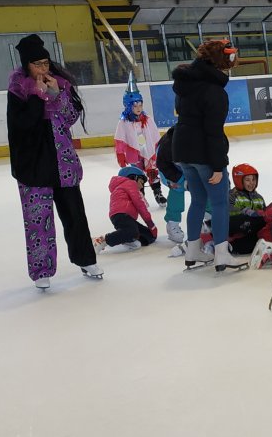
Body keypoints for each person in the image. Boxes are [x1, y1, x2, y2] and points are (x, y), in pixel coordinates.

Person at [6, 33, 101, 289]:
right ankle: (41, 271)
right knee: (38, 220)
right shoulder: (18, 91)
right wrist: (38, 97)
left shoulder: (60, 85)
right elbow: (22, 125)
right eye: (37, 64)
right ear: (26, 65)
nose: (43, 69)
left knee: (75, 216)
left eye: (46, 63)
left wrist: (57, 94)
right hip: (33, 165)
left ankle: (86, 259)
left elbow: (70, 119)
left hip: (64, 163)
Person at [171, 38, 246, 273]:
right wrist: (217, 165)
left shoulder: (185, 84)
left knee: (198, 200)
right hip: (203, 152)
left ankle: (193, 250)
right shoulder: (214, 92)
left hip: (182, 150)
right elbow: (213, 132)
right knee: (220, 202)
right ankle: (221, 255)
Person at [113, 78, 165, 207]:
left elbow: (155, 136)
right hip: (134, 153)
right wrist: (120, 154)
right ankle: (140, 196)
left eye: (140, 105)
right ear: (128, 106)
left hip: (148, 151)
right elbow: (120, 138)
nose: (138, 108)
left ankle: (158, 193)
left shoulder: (147, 119)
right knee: (137, 176)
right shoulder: (124, 122)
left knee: (152, 172)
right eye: (135, 106)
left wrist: (158, 149)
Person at [94, 165, 157, 253]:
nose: (142, 186)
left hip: (125, 217)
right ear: (134, 178)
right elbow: (140, 205)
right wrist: (150, 224)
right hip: (121, 215)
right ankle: (103, 240)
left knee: (149, 236)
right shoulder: (130, 183)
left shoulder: (122, 186)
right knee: (132, 232)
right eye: (141, 182)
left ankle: (128, 239)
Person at [226, 163, 266, 255]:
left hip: (252, 231)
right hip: (237, 227)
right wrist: (245, 211)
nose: (251, 183)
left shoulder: (259, 198)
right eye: (247, 180)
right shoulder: (232, 195)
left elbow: (264, 212)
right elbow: (228, 209)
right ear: (239, 181)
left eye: (254, 179)